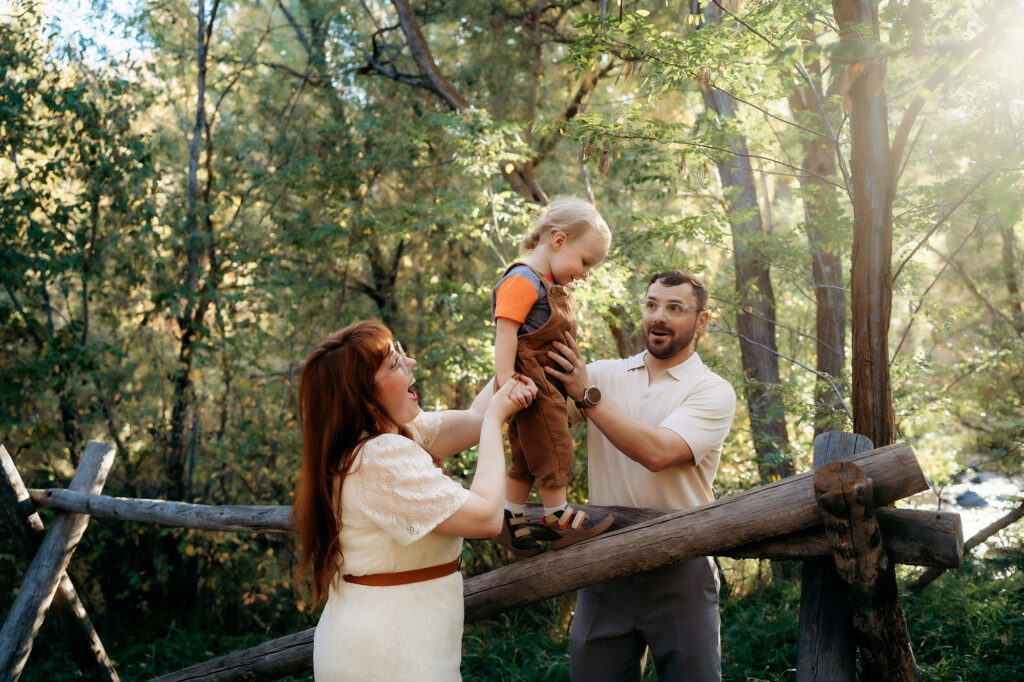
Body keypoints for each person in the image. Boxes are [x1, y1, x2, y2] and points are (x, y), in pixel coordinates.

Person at [291, 320, 537, 681]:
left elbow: (474, 419)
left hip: (402, 644)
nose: (411, 365)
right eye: (394, 363)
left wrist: (518, 353)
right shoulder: (379, 456)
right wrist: (497, 420)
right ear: (362, 395)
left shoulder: (386, 435)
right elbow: (486, 517)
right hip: (387, 657)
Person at [545, 270, 737, 682]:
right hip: (603, 565)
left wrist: (585, 395)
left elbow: (657, 452)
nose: (658, 317)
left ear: (701, 321)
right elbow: (542, 419)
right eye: (651, 305)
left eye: (675, 308)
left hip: (682, 567)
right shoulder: (603, 373)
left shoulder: (711, 389)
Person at [490, 197, 615, 557]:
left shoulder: (546, 281)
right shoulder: (522, 280)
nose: (586, 272)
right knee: (555, 449)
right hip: (532, 385)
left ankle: (511, 517)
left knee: (527, 458)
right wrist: (507, 381)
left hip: (544, 385)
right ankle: (558, 516)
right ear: (558, 241)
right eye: (585, 261)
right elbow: (505, 334)